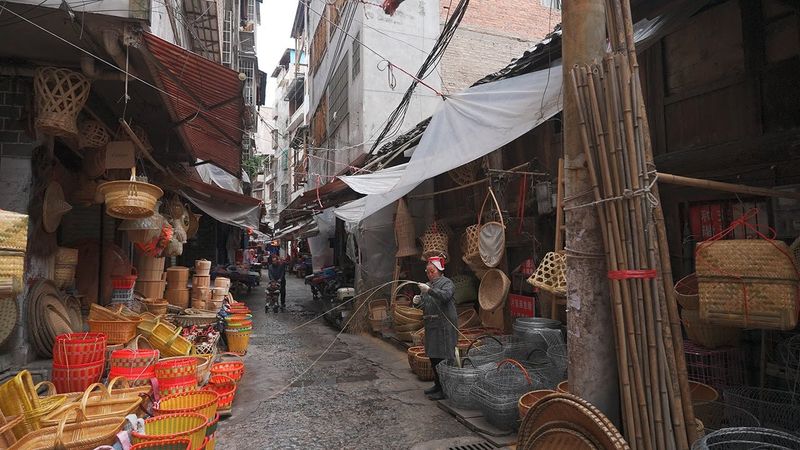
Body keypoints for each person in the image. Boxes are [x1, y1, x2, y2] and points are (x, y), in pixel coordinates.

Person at [413, 256, 458, 400]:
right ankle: (437, 385)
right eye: (427, 272)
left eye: (432, 271)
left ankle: (445, 389)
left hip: (444, 326)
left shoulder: (447, 283)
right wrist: (417, 302)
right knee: (433, 357)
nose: (429, 274)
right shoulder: (427, 286)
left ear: (439, 271)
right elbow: (425, 306)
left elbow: (445, 296)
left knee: (444, 357)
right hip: (431, 325)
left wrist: (429, 291)